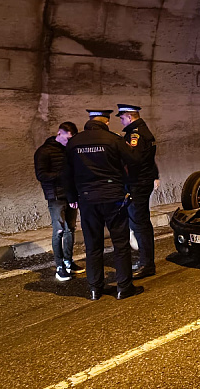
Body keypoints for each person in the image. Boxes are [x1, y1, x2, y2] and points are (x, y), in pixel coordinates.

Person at [64, 109, 142, 300]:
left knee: (93, 246)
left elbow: (65, 173)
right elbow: (133, 161)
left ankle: (94, 289)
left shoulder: (74, 142)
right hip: (113, 198)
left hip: (87, 200)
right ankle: (123, 288)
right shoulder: (113, 140)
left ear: (89, 121)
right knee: (120, 244)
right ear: (106, 122)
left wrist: (71, 197)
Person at [34, 121, 83, 282]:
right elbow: (41, 175)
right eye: (67, 138)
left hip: (70, 195)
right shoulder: (44, 151)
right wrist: (61, 175)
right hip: (55, 196)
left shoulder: (70, 150)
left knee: (70, 229)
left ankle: (69, 262)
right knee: (59, 230)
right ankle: (60, 266)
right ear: (59, 133)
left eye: (71, 139)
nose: (69, 142)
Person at [116, 104, 159, 279]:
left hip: (137, 184)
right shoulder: (141, 131)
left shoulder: (136, 135)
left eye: (122, 117)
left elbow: (135, 160)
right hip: (141, 182)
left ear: (129, 117)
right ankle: (145, 260)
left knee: (140, 224)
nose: (120, 120)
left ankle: (147, 264)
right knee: (139, 223)